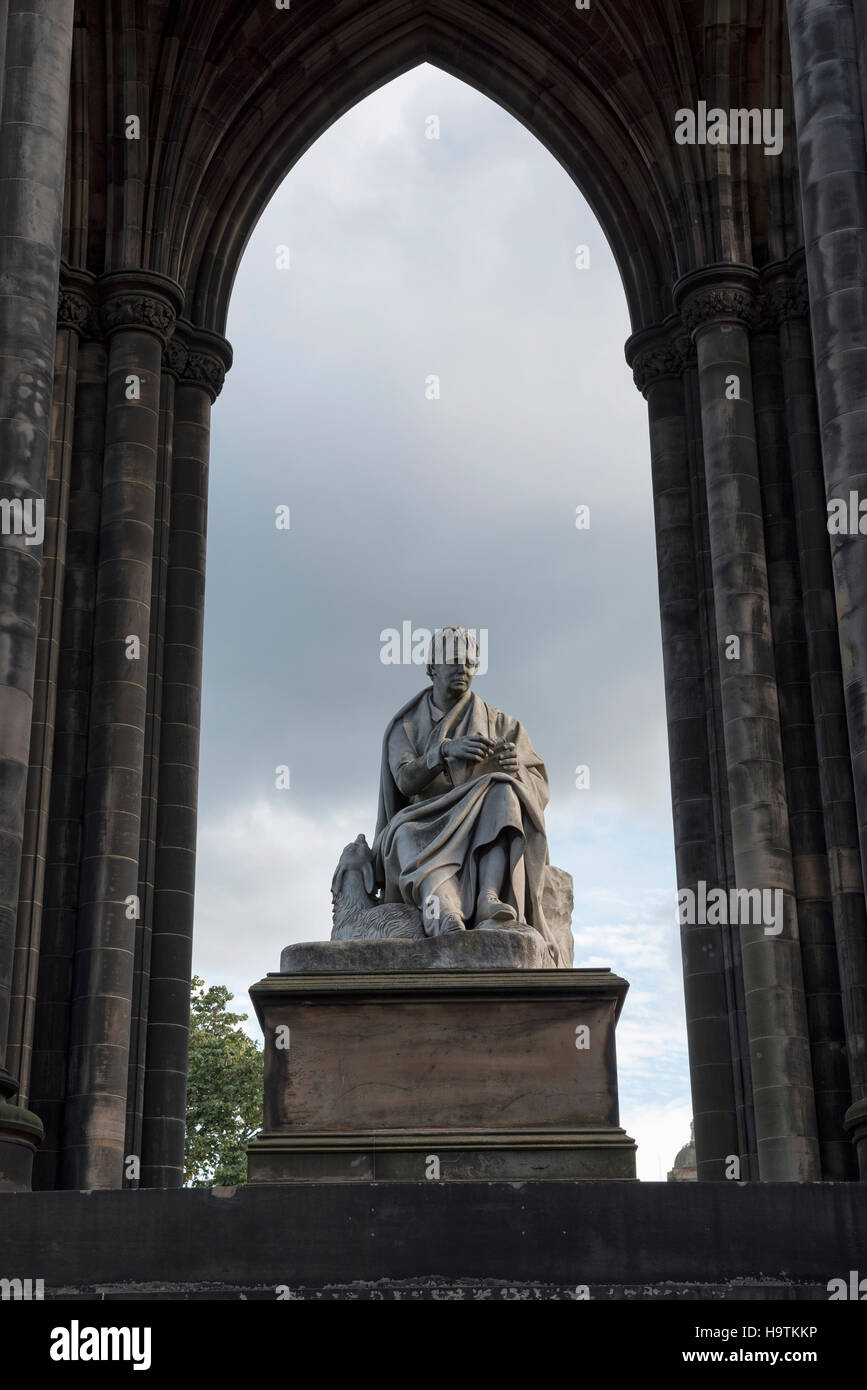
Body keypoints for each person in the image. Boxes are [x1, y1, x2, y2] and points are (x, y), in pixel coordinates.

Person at [373, 626, 562, 963]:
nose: (463, 669)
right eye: (454, 661)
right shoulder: (406, 725)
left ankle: (489, 897)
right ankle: (442, 910)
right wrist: (443, 752)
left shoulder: (502, 724)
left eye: (470, 663)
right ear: (432, 666)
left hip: (481, 813)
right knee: (402, 836)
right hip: (423, 819)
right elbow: (404, 780)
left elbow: (537, 782)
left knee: (504, 790)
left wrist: (514, 767)